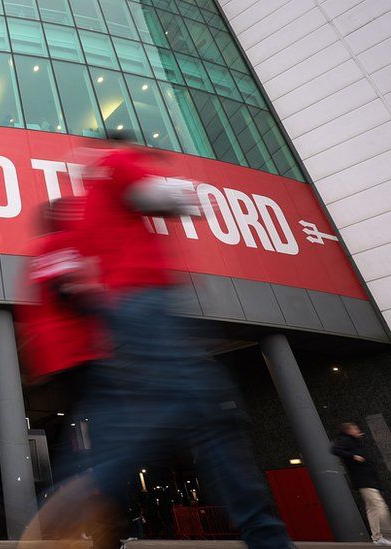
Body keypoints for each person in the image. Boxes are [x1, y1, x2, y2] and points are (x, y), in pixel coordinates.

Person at [64, 135, 294, 549]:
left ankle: (85, 495)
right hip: (149, 305)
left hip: (126, 314)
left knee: (181, 416)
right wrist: (175, 183)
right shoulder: (119, 159)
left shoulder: (88, 199)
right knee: (209, 414)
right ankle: (267, 538)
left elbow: (82, 277)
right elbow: (167, 199)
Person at [332, 422, 391, 545]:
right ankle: (387, 534)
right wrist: (353, 456)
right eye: (355, 428)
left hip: (365, 479)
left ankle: (377, 537)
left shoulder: (354, 442)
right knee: (380, 506)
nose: (358, 430)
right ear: (348, 430)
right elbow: (335, 449)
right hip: (364, 479)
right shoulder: (345, 440)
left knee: (372, 508)